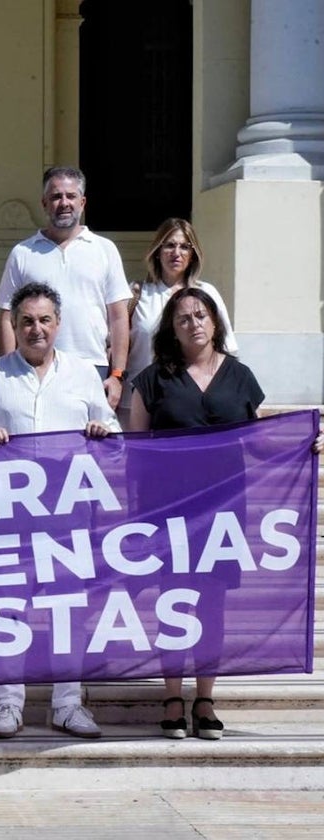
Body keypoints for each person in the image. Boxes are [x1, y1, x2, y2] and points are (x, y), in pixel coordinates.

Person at [127, 287, 324, 739]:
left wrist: (303, 443)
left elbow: (257, 439)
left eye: (201, 315)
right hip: (168, 509)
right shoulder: (153, 379)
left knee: (212, 606)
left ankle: (206, 699)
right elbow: (135, 451)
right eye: (182, 318)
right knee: (174, 605)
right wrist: (137, 520)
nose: (193, 323)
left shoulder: (240, 376)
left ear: (215, 322)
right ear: (171, 331)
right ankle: (173, 697)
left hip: (224, 509)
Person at [0, 281, 120, 740]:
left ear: (58, 324)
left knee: (67, 610)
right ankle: (8, 704)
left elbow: (117, 441)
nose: (36, 329)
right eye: (26, 320)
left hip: (69, 520)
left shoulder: (85, 375)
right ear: (14, 325)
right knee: (8, 610)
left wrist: (102, 434)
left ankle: (68, 705)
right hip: (8, 521)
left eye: (44, 320)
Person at [0, 166, 132, 409]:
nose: (64, 203)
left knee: (88, 445)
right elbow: (7, 317)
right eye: (56, 197)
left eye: (71, 196)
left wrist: (117, 375)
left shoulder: (104, 250)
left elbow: (119, 318)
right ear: (44, 203)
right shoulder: (23, 253)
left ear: (83, 202)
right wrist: (8, 369)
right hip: (33, 368)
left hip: (92, 367)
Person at [121, 218, 238, 425]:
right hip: (137, 403)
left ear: (193, 254)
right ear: (158, 250)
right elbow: (117, 346)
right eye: (170, 245)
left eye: (185, 247)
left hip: (188, 407)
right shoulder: (137, 293)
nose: (177, 253)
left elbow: (226, 348)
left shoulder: (206, 293)